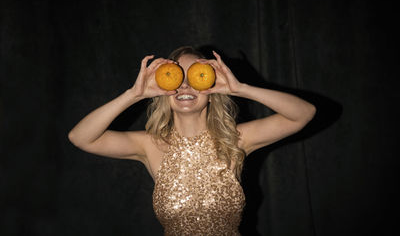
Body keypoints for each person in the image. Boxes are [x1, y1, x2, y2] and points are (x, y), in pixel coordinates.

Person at [68, 46, 316, 235]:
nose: (185, 85)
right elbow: (80, 137)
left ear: (211, 89)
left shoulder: (237, 140)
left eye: (195, 77)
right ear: (164, 90)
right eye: (177, 77)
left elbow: (303, 114)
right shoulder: (148, 145)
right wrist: (134, 94)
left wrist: (240, 88)